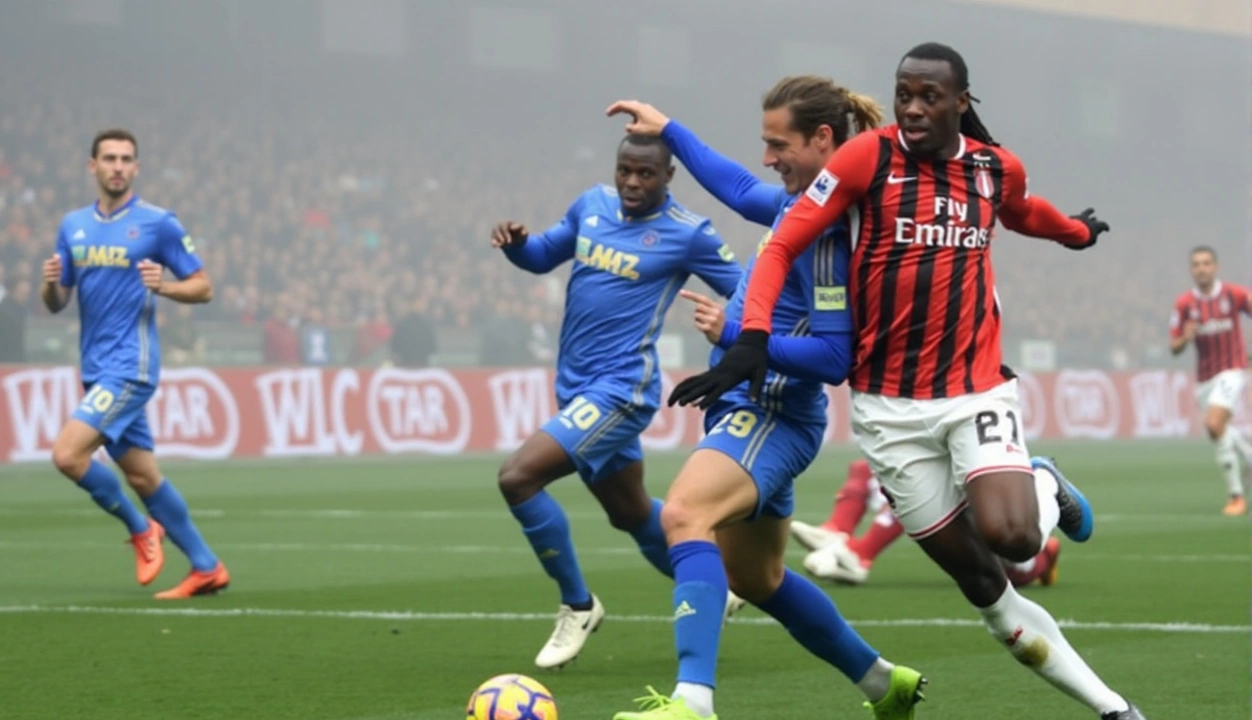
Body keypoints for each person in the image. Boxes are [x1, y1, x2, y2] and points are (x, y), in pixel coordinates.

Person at [668, 43, 1144, 720]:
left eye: (929, 96)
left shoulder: (991, 168)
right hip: (890, 412)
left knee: (1015, 539)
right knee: (983, 584)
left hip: (974, 388)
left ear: (961, 103)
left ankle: (1044, 483)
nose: (914, 108)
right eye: (904, 95)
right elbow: (781, 236)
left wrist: (1075, 234)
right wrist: (751, 340)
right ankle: (1114, 709)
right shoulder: (867, 161)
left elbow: (1024, 209)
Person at [605, 78, 923, 720]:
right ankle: (883, 684)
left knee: (683, 517)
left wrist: (734, 333)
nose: (767, 158)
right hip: (752, 409)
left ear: (823, 140)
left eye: (778, 144)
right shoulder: (800, 200)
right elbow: (737, 187)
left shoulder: (828, 237)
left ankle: (692, 701)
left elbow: (834, 358)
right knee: (758, 579)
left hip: (771, 412)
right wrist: (669, 129)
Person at [490, 133, 744, 670]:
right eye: (625, 170)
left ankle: (577, 604)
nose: (631, 183)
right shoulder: (592, 205)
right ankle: (711, 584)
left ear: (668, 176)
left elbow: (746, 289)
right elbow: (542, 257)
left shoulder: (688, 233)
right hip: (576, 385)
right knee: (629, 512)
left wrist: (733, 333)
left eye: (645, 174)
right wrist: (518, 245)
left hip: (621, 390)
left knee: (518, 478)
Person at [41, 128, 228, 600]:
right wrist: (48, 284)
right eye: (109, 158)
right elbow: (57, 302)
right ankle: (206, 566)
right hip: (95, 368)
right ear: (93, 166)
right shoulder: (73, 225)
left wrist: (162, 285)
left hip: (131, 366)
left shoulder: (158, 223)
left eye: (127, 159)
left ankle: (143, 528)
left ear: (136, 168)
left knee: (67, 455)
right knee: (143, 475)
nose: (118, 166)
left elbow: (203, 287)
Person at [791, 459, 1060, 588]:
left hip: (1001, 557)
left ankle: (1048, 554)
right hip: (956, 512)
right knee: (865, 469)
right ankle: (836, 531)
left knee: (918, 490)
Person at [1168, 246, 1252, 515]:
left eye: (1206, 263)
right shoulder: (1183, 305)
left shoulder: (1234, 295)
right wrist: (1186, 336)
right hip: (1204, 379)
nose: (1201, 268)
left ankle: (1236, 497)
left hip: (1233, 369)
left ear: (1215, 267)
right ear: (1191, 270)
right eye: (1196, 264)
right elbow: (1174, 347)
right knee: (1217, 430)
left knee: (1214, 423)